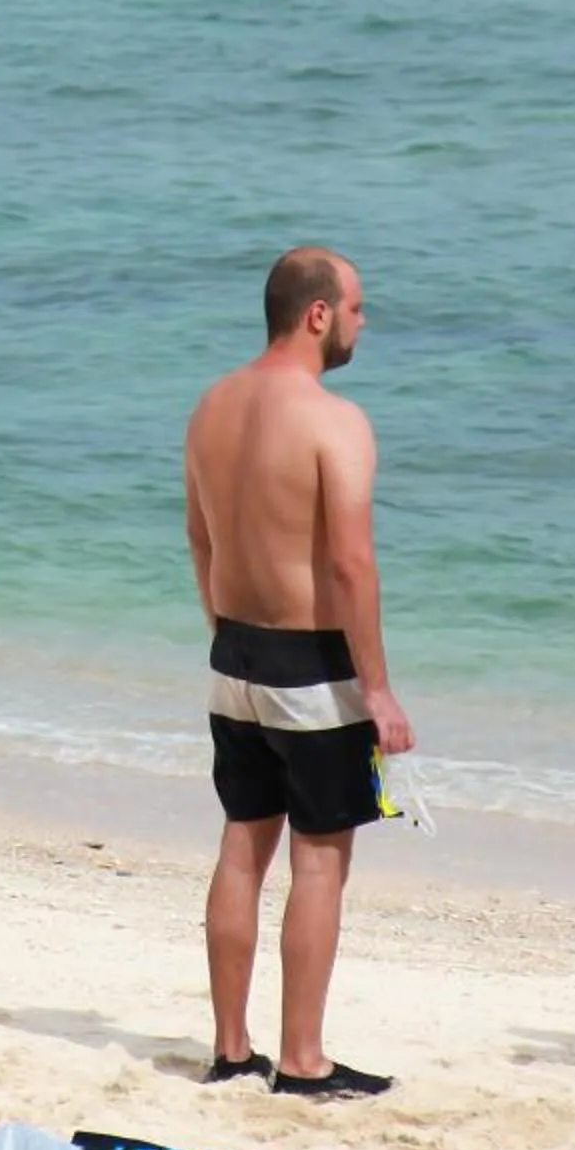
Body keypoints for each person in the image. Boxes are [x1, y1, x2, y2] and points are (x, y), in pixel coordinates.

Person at [182, 246, 414, 1102]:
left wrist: (222, 627)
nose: (361, 323)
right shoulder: (333, 420)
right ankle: (304, 1059)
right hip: (312, 669)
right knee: (319, 861)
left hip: (234, 656)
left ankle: (231, 1049)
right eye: (355, 308)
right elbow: (352, 565)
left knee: (243, 846)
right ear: (317, 314)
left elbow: (201, 536)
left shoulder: (213, 404)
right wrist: (377, 689)